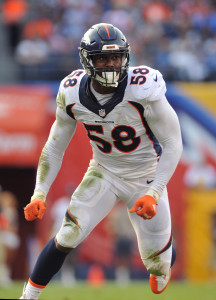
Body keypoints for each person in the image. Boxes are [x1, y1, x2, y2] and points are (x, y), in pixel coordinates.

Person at [20, 23, 183, 299]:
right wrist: (40, 192)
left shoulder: (142, 87)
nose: (110, 64)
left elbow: (173, 142)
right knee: (68, 234)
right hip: (104, 171)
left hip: (145, 173)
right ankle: (28, 296)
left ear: (125, 57)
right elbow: (54, 147)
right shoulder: (71, 92)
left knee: (157, 264)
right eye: (103, 59)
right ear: (87, 61)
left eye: (115, 57)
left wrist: (154, 191)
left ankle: (164, 254)